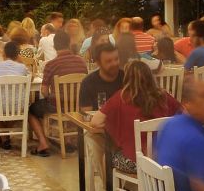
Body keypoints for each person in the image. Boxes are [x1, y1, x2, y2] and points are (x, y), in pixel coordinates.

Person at [92, 60, 180, 176]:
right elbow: (184, 116)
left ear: (127, 78)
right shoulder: (163, 96)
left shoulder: (121, 97)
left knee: (106, 158)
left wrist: (113, 123)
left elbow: (95, 122)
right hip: (163, 160)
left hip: (135, 161)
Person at [27, 30, 87, 158]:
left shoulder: (51, 64)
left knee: (31, 110)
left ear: (54, 46)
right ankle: (69, 140)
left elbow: (43, 90)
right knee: (66, 104)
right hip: (78, 106)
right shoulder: (81, 62)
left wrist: (50, 97)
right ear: (69, 43)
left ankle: (43, 143)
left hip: (58, 106)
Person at [79, 43, 122, 110]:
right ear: (99, 63)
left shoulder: (126, 78)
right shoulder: (88, 83)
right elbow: (86, 114)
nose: (114, 63)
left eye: (116, 59)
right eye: (109, 61)